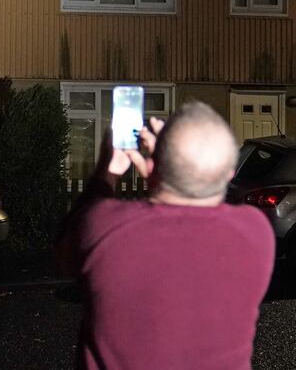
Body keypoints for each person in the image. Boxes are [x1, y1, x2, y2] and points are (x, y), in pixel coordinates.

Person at [56, 101, 274, 370]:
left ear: (156, 165)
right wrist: (166, 166)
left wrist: (107, 173)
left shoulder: (105, 224)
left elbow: (64, 256)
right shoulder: (256, 231)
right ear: (229, 174)